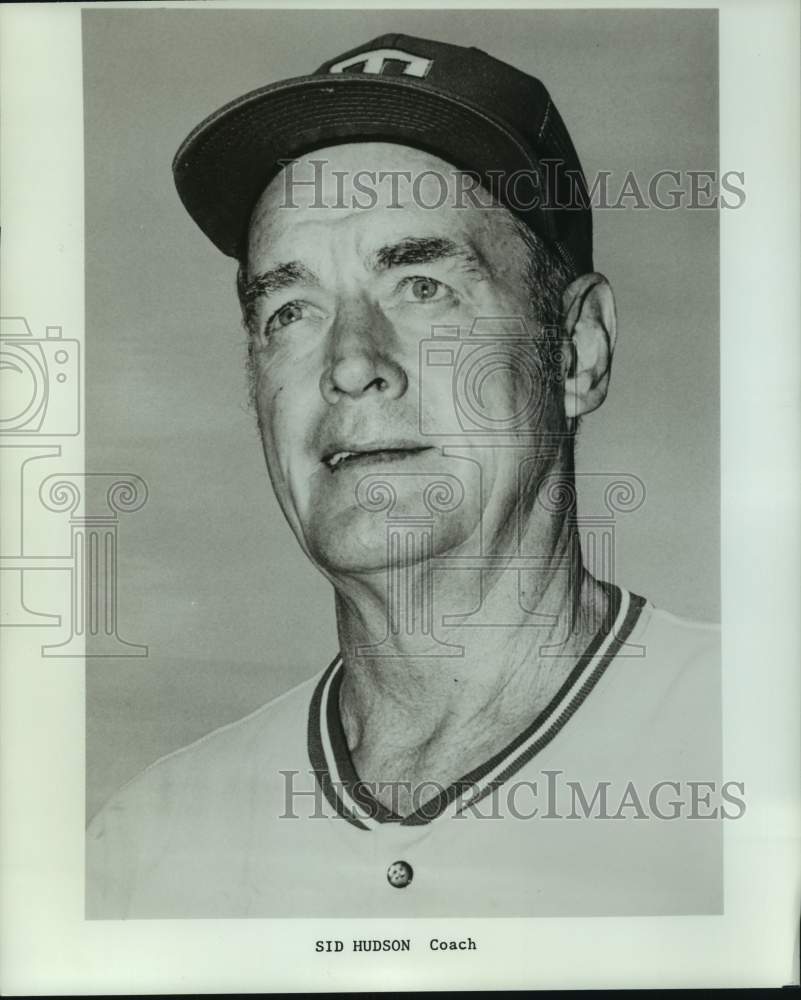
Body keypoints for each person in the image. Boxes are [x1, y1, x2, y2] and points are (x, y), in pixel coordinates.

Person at [87, 33, 724, 918]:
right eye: (290, 308)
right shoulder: (145, 848)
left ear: (575, 351)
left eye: (423, 285)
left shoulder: (760, 750)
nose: (351, 363)